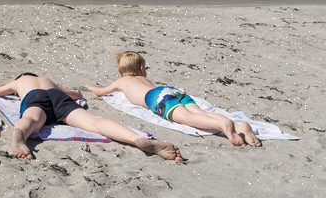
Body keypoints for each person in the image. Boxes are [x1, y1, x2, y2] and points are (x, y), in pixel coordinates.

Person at [0, 73, 183, 161]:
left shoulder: (20, 82)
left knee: (32, 120)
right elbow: (76, 95)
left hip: (35, 97)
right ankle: (136, 138)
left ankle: (19, 135)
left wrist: (7, 92)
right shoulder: (48, 80)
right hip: (58, 96)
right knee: (93, 122)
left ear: (20, 77)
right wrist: (70, 93)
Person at [85, 51, 261, 147]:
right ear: (141, 69)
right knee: (199, 112)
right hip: (168, 90)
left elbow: (102, 92)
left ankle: (224, 127)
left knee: (188, 119)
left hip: (154, 97)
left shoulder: (122, 81)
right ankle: (238, 125)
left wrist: (91, 88)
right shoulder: (144, 78)